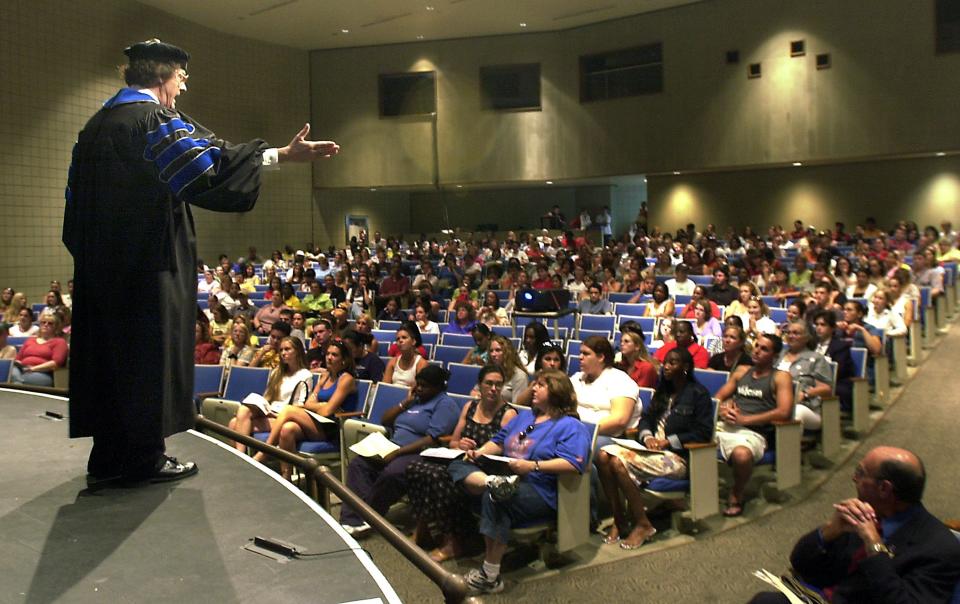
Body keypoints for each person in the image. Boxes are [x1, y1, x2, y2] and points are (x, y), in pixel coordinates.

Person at [748, 446, 960, 604]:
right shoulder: (866, 515)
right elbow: (801, 564)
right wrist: (830, 531)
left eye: (860, 473)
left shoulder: (939, 547)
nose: (853, 478)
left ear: (884, 489)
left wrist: (874, 547)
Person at [449, 369, 591, 594]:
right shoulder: (527, 417)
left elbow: (574, 464)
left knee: (496, 497)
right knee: (457, 465)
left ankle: (490, 576)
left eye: (541, 385)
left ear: (556, 392)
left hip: (541, 489)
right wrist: (480, 452)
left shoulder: (570, 426)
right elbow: (498, 440)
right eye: (535, 384)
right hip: (507, 477)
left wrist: (533, 466)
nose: (533, 388)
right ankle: (490, 481)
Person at [596, 348, 713, 549]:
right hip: (651, 452)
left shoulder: (698, 394)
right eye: (665, 362)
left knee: (616, 461)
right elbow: (646, 419)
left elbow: (703, 432)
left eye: (672, 363)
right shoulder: (663, 390)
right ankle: (620, 519)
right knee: (603, 455)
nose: (666, 366)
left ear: (685, 368)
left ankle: (642, 524)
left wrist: (669, 441)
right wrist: (647, 436)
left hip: (678, 458)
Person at [405, 365, 517, 562]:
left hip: (485, 468)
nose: (493, 389)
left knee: (438, 476)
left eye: (498, 385)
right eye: (489, 384)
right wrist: (461, 445)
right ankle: (422, 529)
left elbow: (504, 448)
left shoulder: (508, 414)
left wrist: (477, 451)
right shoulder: (470, 407)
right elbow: (454, 441)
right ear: (480, 385)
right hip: (460, 459)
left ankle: (454, 541)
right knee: (415, 468)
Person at [340, 365, 459, 535]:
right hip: (393, 446)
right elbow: (385, 419)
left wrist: (398, 453)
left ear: (438, 387)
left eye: (424, 385)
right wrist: (405, 403)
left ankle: (367, 517)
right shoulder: (415, 400)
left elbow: (431, 439)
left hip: (419, 453)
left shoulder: (445, 405)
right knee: (359, 464)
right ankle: (351, 520)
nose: (418, 388)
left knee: (392, 474)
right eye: (417, 384)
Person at [714, 333, 794, 516]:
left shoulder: (781, 377)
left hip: (753, 433)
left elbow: (783, 412)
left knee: (742, 456)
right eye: (757, 346)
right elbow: (718, 398)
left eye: (764, 349)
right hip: (726, 425)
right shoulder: (742, 370)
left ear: (774, 356)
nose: (757, 351)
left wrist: (745, 420)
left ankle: (737, 493)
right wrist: (723, 409)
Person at [253, 340, 357, 480]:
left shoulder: (346, 379)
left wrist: (320, 407)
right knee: (287, 429)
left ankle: (264, 452)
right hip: (315, 422)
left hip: (332, 429)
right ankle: (286, 476)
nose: (329, 357)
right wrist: (321, 405)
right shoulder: (325, 376)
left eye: (334, 355)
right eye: (328, 354)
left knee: (289, 410)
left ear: (344, 360)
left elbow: (328, 412)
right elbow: (310, 403)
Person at [229, 336, 312, 455]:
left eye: (287, 349)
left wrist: (275, 414)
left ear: (297, 351)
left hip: (285, 417)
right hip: (270, 412)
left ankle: (240, 460)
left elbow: (300, 407)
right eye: (281, 350)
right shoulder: (277, 372)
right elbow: (268, 397)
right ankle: (240, 458)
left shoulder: (305, 375)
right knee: (240, 414)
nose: (283, 353)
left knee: (234, 424)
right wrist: (264, 409)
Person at [571, 336, 641, 447]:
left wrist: (578, 431)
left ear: (600, 357)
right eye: (580, 353)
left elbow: (619, 420)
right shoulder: (577, 378)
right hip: (575, 432)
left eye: (586, 354)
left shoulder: (619, 380)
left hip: (608, 438)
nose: (580, 357)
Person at [779, 320, 834, 430]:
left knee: (796, 412)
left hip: (807, 407)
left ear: (807, 337)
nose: (791, 336)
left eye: (796, 333)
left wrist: (805, 394)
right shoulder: (779, 355)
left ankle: (789, 446)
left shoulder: (816, 358)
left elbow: (826, 388)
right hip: (777, 402)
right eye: (788, 333)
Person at [10, 310, 69, 387]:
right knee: (10, 371)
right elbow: (18, 359)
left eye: (50, 323)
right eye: (43, 322)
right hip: (22, 370)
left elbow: (55, 363)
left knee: (17, 379)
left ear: (56, 327)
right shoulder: (30, 340)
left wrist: (33, 368)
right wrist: (20, 366)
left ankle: (17, 384)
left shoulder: (59, 342)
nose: (46, 325)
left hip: (42, 373)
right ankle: (18, 384)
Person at [812, 310, 856, 412]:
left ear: (832, 328)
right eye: (817, 324)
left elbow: (838, 372)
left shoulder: (841, 346)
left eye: (823, 325)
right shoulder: (811, 344)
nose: (819, 328)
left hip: (836, 384)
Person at [383, 321, 428, 388]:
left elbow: (418, 390)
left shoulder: (421, 363)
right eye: (398, 339)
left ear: (413, 341)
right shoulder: (392, 362)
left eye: (404, 337)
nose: (400, 340)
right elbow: (384, 387)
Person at [616, 322, 659, 388]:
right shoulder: (620, 366)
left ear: (637, 346)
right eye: (621, 341)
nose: (622, 344)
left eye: (626, 341)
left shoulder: (646, 368)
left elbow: (641, 393)